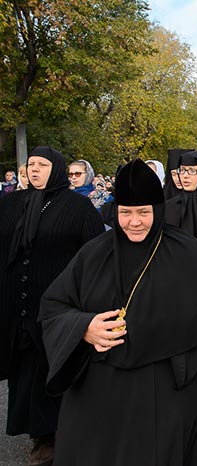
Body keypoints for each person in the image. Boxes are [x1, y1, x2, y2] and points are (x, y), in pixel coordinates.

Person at [38, 159, 197, 466]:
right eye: (125, 213)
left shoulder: (190, 252)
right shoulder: (93, 253)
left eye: (143, 212)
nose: (134, 222)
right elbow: (53, 307)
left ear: (158, 209)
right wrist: (84, 327)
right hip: (98, 391)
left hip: (163, 390)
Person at [0, 146, 104, 466]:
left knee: (50, 369)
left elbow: (94, 256)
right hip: (15, 307)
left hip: (56, 308)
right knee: (24, 373)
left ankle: (53, 439)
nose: (34, 170)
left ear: (56, 168)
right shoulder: (11, 203)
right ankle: (40, 435)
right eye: (30, 164)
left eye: (42, 165)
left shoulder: (78, 207)